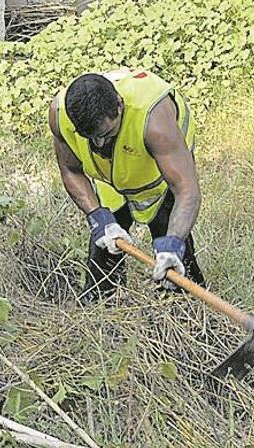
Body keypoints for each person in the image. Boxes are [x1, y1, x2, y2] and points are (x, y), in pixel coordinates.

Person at [47, 68, 206, 301]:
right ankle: (103, 307)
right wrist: (98, 217)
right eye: (90, 137)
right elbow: (71, 170)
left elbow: (187, 191)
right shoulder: (60, 115)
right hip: (112, 177)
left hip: (159, 171)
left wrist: (172, 242)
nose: (99, 144)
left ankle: (191, 310)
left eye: (106, 133)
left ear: (120, 105)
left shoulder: (154, 121)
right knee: (104, 250)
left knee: (172, 253)